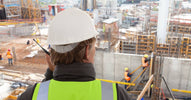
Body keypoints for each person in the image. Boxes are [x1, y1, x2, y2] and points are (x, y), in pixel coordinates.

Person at [18, 8, 131, 100]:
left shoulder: (31, 95)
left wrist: (50, 74)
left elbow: (45, 93)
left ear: (52, 53)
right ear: (87, 52)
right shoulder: (116, 95)